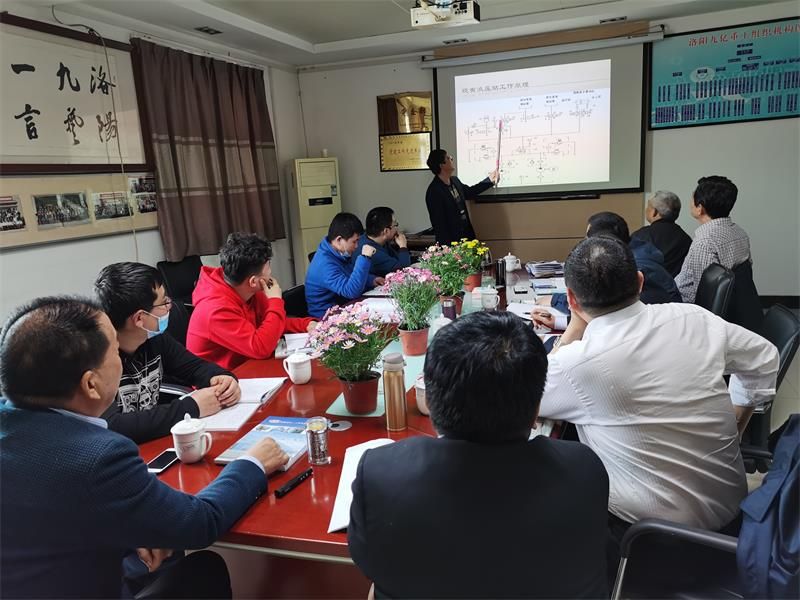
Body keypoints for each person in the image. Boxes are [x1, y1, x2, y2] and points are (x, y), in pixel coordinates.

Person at [0, 296, 290, 598]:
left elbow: (56, 518)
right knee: (204, 569)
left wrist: (130, 530)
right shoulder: (97, 458)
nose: (121, 358)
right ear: (91, 384)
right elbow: (200, 523)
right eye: (114, 350)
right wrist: (251, 463)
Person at [348, 311, 609, 598]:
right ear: (537, 408)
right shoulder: (584, 470)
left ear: (429, 403)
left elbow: (373, 567)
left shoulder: (380, 474)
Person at [537, 237, 778, 546]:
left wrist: (574, 326)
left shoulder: (578, 364)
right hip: (735, 518)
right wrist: (736, 425)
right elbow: (764, 357)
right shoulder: (694, 318)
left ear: (572, 299)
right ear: (640, 281)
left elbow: (531, 396)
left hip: (650, 539)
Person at [94, 262, 239, 444]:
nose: (170, 306)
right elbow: (113, 425)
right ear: (139, 318)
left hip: (154, 443)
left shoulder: (154, 338)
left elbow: (195, 367)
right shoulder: (98, 360)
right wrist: (191, 407)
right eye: (163, 302)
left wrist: (223, 379)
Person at [187, 233, 316, 371]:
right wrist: (275, 301)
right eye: (268, 268)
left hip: (248, 364)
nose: (270, 273)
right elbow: (260, 348)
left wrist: (306, 325)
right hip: (220, 378)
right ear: (253, 281)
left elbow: (272, 323)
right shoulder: (214, 309)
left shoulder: (248, 290)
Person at [533, 211, 680, 329]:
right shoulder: (638, 250)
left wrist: (556, 300)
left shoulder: (628, 266)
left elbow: (607, 310)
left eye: (588, 239)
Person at [675, 175, 752, 302]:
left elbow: (705, 296)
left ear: (700, 209)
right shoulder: (740, 233)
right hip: (736, 304)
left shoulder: (704, 243)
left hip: (686, 306)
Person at [305, 212, 384, 318]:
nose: (357, 246)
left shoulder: (336, 253)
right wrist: (365, 257)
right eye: (354, 242)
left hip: (343, 307)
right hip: (325, 317)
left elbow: (350, 274)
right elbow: (351, 291)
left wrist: (372, 280)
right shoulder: (324, 264)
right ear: (339, 240)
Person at [424, 149, 498, 245]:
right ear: (441, 165)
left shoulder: (455, 181)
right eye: (448, 158)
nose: (451, 159)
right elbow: (439, 225)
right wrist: (447, 248)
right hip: (452, 242)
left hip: (467, 235)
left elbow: (470, 192)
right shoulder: (434, 191)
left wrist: (489, 180)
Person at [631, 190, 693, 277]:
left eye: (648, 206)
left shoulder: (640, 236)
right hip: (676, 285)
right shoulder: (686, 239)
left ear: (654, 212)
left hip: (648, 285)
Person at [356, 206, 411, 277]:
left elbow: (396, 259)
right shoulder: (372, 251)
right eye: (395, 225)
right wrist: (403, 246)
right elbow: (404, 270)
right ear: (386, 231)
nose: (397, 229)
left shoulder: (376, 240)